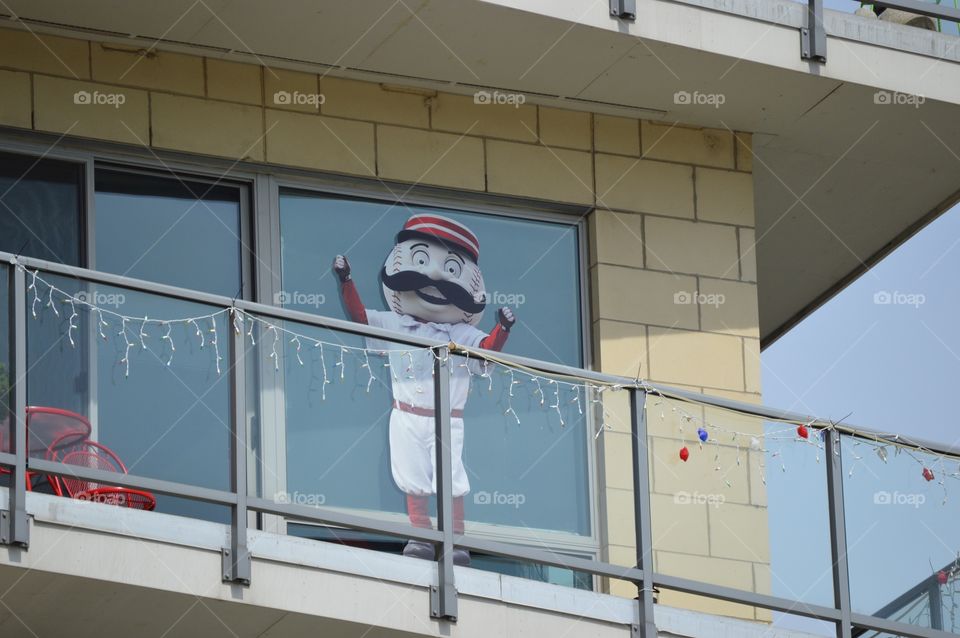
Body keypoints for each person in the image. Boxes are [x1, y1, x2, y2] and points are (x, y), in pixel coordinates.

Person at [333, 214, 515, 566]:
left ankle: (456, 540)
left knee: (451, 478)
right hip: (405, 414)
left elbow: (486, 351)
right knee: (412, 475)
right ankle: (419, 534)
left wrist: (503, 329)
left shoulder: (460, 334)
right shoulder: (396, 323)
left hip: (447, 418)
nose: (433, 279)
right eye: (421, 261)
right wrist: (346, 281)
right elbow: (361, 318)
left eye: (449, 269)